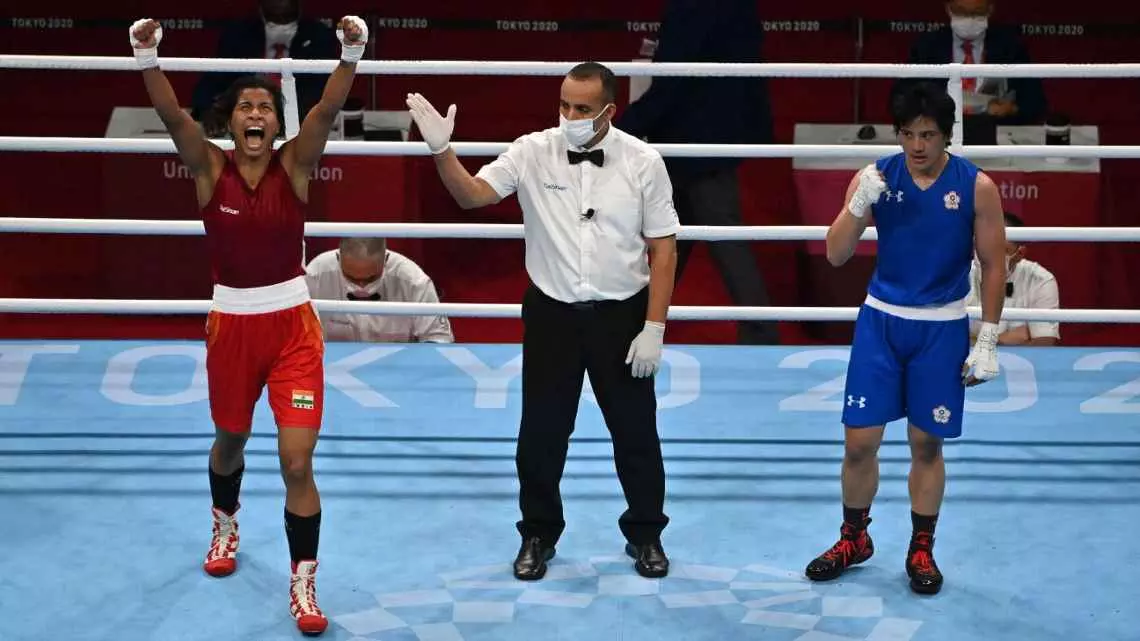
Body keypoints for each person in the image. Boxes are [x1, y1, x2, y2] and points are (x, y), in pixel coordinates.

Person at [129, 15, 367, 635]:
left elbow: (323, 113)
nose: (256, 113)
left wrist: (350, 54)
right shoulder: (210, 169)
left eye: (265, 105)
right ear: (230, 121)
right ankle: (225, 521)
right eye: (245, 106)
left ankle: (304, 584)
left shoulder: (297, 166)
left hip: (292, 328)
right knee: (230, 441)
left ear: (275, 123)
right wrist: (147, 57)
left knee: (296, 463)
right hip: (232, 325)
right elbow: (173, 118)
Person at [405, 62, 680, 581]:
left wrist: (654, 327)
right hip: (552, 313)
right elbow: (472, 195)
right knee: (541, 434)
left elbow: (663, 251)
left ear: (608, 111)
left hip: (621, 315)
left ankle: (646, 535)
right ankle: (537, 534)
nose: (569, 117)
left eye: (581, 109)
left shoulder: (644, 162)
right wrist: (443, 151)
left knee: (636, 431)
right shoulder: (531, 150)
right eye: (563, 105)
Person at [805, 81, 1006, 595]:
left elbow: (994, 262)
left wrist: (988, 336)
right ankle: (854, 538)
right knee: (858, 443)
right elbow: (835, 254)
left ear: (948, 136)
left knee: (926, 443)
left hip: (940, 327)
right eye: (909, 135)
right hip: (881, 322)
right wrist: (858, 207)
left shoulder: (977, 186)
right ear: (897, 133)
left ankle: (922, 548)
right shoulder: (874, 177)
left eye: (929, 135)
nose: (918, 146)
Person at [305, 237, 455, 343]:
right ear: (338, 258)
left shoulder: (414, 281)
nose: (361, 288)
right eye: (352, 278)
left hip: (400, 371)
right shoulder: (316, 275)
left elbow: (439, 340)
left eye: (371, 278)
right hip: (331, 371)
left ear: (386, 259)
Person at [966, 212, 1060, 346]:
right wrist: (1009, 338)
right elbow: (950, 339)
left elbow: (1043, 342)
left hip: (1021, 366)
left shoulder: (1041, 280)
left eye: (1001, 249)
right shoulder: (959, 276)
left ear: (1019, 254)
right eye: (984, 246)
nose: (989, 256)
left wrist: (976, 340)